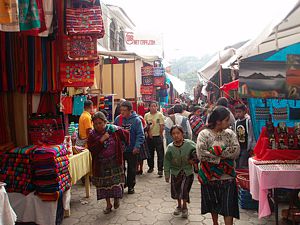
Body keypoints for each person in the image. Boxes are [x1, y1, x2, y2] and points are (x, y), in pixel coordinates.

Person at [197, 106, 240, 225]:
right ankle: (215, 223)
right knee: (212, 206)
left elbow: (236, 151)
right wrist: (224, 156)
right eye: (226, 120)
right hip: (210, 178)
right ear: (218, 121)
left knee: (228, 208)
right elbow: (201, 154)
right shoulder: (204, 134)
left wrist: (214, 151)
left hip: (228, 178)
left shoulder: (230, 133)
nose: (229, 122)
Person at [87, 112, 129, 214]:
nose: (98, 125)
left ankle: (116, 199)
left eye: (100, 123)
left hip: (115, 161)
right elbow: (92, 149)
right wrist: (101, 140)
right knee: (104, 186)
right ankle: (108, 204)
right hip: (101, 164)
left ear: (105, 122)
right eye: (95, 124)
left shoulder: (113, 129)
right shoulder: (92, 135)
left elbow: (126, 135)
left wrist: (122, 148)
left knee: (115, 183)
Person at [164, 125, 198, 219]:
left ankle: (185, 207)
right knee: (177, 190)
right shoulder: (170, 148)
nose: (176, 135)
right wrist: (167, 174)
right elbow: (166, 161)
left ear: (182, 134)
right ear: (171, 135)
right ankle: (179, 206)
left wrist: (194, 161)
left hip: (187, 172)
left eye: (178, 133)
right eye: (173, 134)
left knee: (184, 190)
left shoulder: (190, 144)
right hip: (175, 172)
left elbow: (197, 153)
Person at [114, 101, 145, 194]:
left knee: (132, 169)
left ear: (130, 111)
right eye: (121, 110)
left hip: (132, 150)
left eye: (124, 110)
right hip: (121, 149)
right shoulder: (117, 119)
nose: (122, 112)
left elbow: (140, 135)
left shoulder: (136, 120)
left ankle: (131, 186)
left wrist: (137, 146)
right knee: (121, 168)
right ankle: (124, 183)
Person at [144, 101, 165, 176]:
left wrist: (160, 134)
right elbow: (145, 126)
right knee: (150, 153)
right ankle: (151, 167)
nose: (153, 107)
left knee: (160, 153)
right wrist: (148, 133)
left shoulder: (160, 115)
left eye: (155, 106)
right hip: (149, 137)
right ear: (149, 107)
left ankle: (160, 169)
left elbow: (162, 125)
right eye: (151, 106)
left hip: (158, 136)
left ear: (157, 107)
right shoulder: (146, 115)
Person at [234, 104, 256, 169]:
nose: (238, 114)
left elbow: (251, 134)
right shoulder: (236, 123)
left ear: (244, 112)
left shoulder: (248, 121)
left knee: (242, 164)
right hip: (239, 147)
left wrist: (252, 147)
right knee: (237, 164)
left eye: (239, 112)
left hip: (246, 148)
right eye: (236, 112)